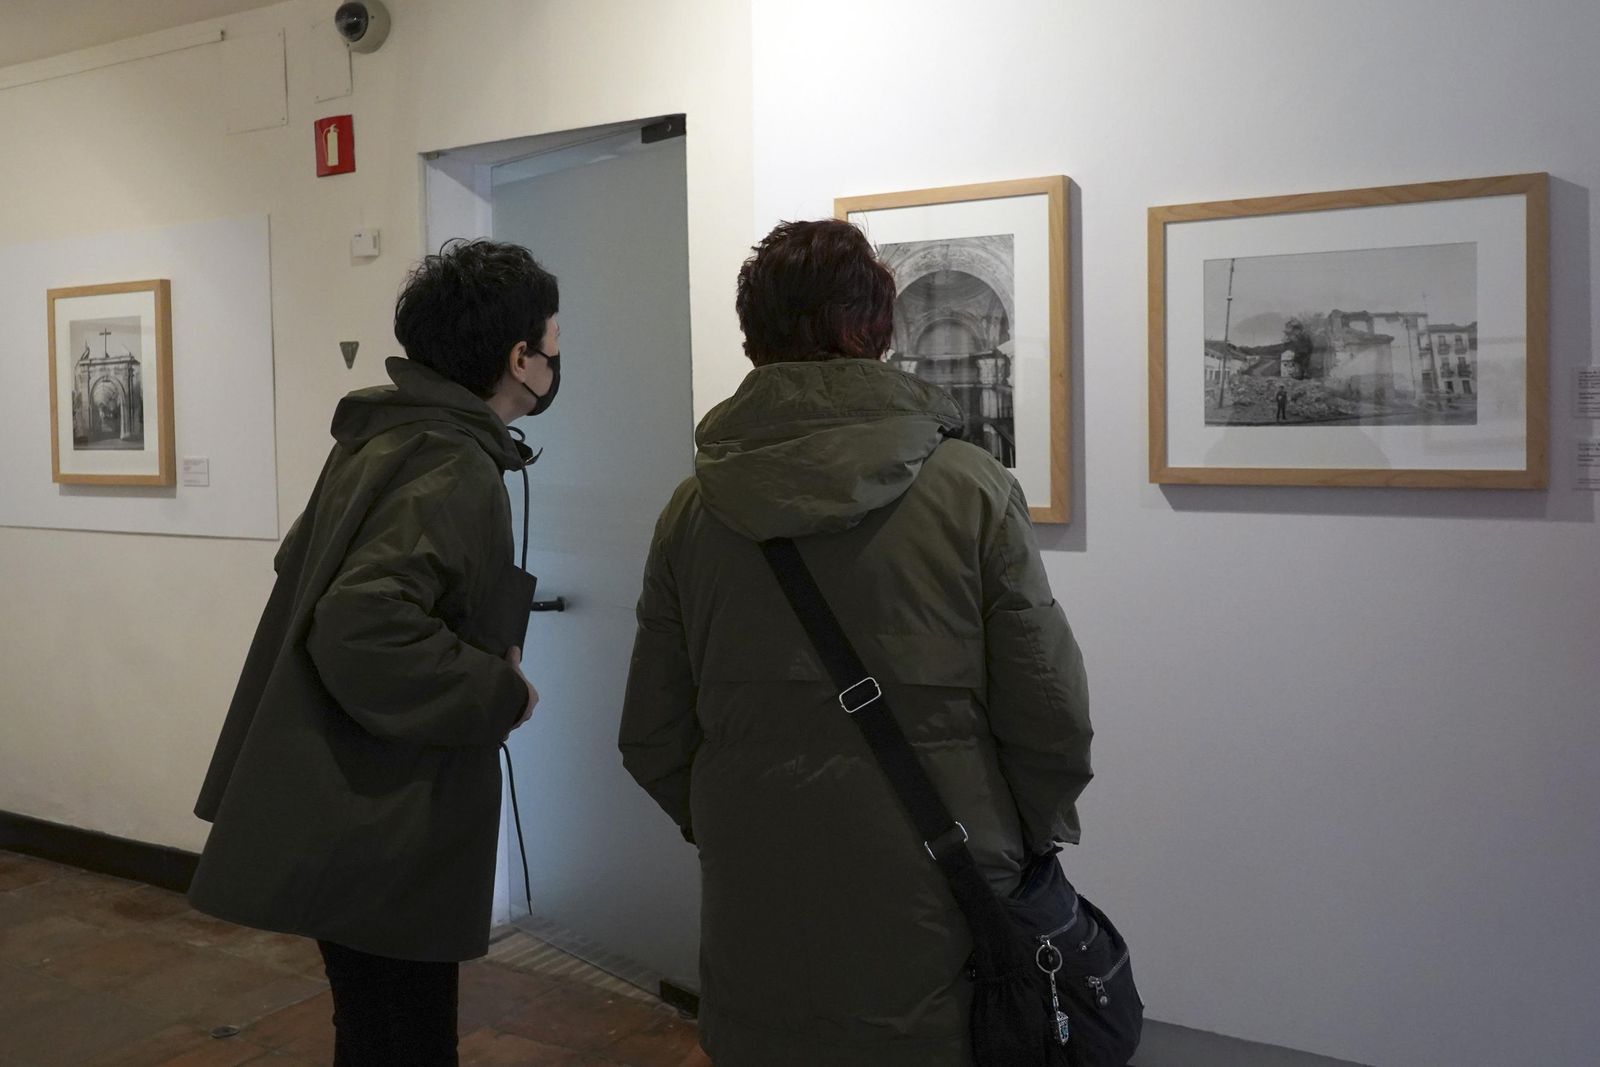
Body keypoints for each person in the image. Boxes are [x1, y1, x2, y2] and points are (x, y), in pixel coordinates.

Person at [619, 219, 1093, 1066]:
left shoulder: (692, 513)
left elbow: (651, 732)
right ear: (875, 329)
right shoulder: (973, 491)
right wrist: (1018, 844)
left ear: (753, 336)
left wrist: (743, 818)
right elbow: (1052, 716)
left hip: (758, 902)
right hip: (940, 905)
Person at [188, 239, 561, 1067]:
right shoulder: (453, 460)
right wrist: (500, 694)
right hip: (389, 813)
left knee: (373, 1026)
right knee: (405, 1037)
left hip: (349, 806)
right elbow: (362, 622)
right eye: (552, 343)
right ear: (518, 357)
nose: (556, 362)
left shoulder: (382, 436)